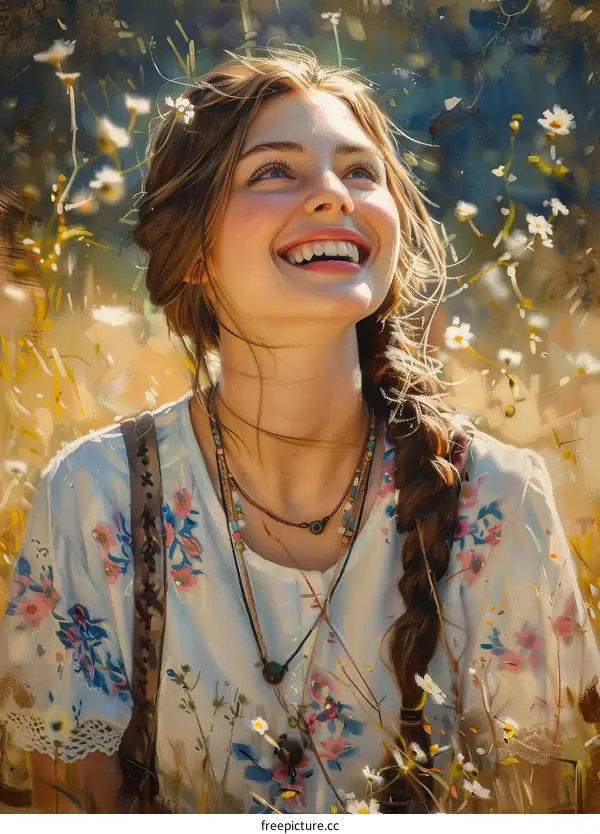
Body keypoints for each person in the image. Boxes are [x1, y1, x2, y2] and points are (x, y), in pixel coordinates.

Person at [1, 52, 599, 815]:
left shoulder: (498, 501)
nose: (331, 196)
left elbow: (540, 809)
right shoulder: (97, 499)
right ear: (192, 254)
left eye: (359, 172)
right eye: (274, 173)